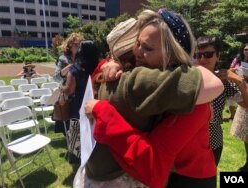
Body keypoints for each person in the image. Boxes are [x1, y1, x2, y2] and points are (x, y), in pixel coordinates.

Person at [75, 9, 224, 188]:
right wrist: (115, 61)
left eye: (147, 48)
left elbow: (150, 164)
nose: (137, 51)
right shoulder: (151, 76)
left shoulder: (193, 104)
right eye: (137, 43)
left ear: (171, 56)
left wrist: (103, 112)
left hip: (188, 178)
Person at [195, 36, 248, 165]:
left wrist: (238, 80)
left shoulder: (222, 81)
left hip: (213, 143)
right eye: (198, 55)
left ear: (218, 56)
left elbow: (246, 104)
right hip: (189, 144)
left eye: (208, 54)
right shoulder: (187, 79)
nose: (202, 59)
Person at [60, 40, 99, 164]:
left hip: (78, 107)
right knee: (93, 134)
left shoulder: (75, 69)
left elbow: (69, 90)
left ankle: (76, 160)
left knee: (76, 133)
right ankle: (92, 157)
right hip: (95, 107)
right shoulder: (99, 67)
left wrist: (61, 88)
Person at [53, 32, 84, 134]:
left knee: (78, 118)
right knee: (67, 118)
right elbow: (56, 78)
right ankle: (72, 141)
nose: (78, 46)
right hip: (66, 93)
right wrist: (68, 69)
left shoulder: (83, 58)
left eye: (80, 44)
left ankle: (77, 141)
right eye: (75, 44)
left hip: (79, 93)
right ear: (70, 46)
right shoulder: (63, 58)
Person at [230, 43, 248, 172]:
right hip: (243, 97)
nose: (247, 51)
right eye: (246, 49)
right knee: (245, 134)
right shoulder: (238, 60)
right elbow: (231, 71)